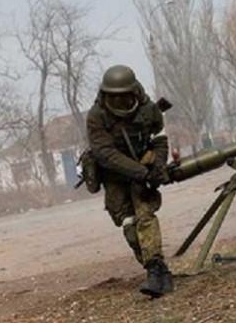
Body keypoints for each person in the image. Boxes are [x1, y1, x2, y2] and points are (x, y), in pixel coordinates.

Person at [85, 65, 173, 297]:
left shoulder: (148, 109)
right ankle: (157, 268)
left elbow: (159, 138)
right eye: (114, 97)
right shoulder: (96, 117)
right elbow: (106, 154)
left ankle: (155, 270)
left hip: (142, 168)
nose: (120, 101)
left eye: (123, 96)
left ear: (133, 92)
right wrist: (142, 173)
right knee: (128, 223)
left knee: (145, 216)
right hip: (114, 176)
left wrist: (157, 166)